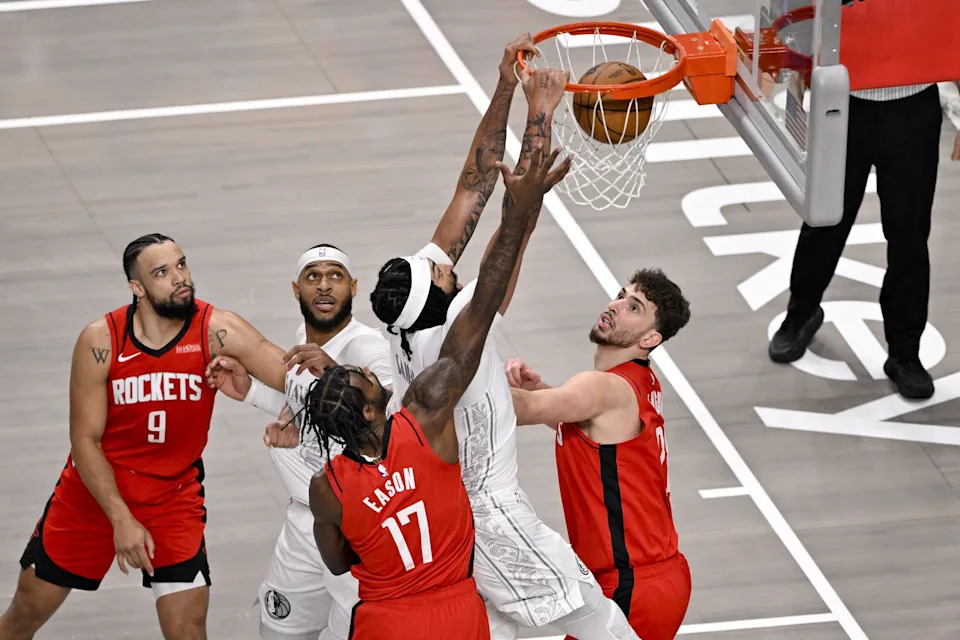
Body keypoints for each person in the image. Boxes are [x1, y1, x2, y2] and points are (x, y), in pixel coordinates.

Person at [357, 64, 640, 640]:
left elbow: (472, 184)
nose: (441, 260)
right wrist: (541, 114)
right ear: (441, 296)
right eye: (438, 270)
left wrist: (508, 86)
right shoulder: (455, 337)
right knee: (601, 622)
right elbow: (501, 252)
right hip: (492, 515)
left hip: (458, 516)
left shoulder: (409, 317)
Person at [301, 143, 570, 639]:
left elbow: (339, 561)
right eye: (365, 379)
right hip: (456, 597)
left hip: (385, 619)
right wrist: (519, 211)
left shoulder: (327, 487)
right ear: (367, 409)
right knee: (587, 614)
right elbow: (489, 289)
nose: (377, 378)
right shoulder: (423, 418)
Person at [0, 233, 293, 640]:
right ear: (136, 287)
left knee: (187, 631)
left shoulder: (216, 329)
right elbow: (84, 440)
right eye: (162, 272)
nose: (180, 278)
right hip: (93, 497)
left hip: (172, 499)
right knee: (24, 614)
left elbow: (292, 375)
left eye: (181, 264)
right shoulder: (100, 341)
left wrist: (314, 393)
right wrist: (121, 519)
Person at [205, 244, 393, 640]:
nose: (324, 286)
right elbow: (305, 402)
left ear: (354, 287)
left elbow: (389, 413)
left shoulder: (367, 347)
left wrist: (337, 372)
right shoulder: (301, 341)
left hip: (356, 526)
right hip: (303, 522)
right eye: (313, 276)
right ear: (296, 289)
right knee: (278, 631)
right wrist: (251, 392)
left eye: (336, 275)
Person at [506, 268, 693, 640]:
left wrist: (461, 375)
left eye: (634, 307)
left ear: (650, 338)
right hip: (650, 578)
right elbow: (592, 431)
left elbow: (520, 410)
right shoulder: (639, 379)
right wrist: (541, 390)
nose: (615, 305)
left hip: (631, 584)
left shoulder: (604, 387)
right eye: (621, 295)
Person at [769, 81, 960, 399]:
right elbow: (802, 37)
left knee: (909, 236)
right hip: (843, 103)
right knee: (824, 224)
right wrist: (795, 111)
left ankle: (905, 353)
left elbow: (950, 40)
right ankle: (801, 314)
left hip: (913, 109)